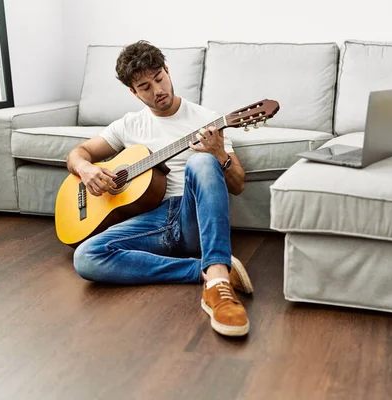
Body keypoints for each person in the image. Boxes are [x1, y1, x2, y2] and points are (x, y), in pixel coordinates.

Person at [66, 40, 253, 337]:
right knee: (86, 257)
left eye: (159, 79)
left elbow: (239, 184)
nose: (158, 91)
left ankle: (217, 279)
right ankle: (203, 272)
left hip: (192, 215)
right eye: (145, 87)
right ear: (133, 92)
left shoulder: (207, 120)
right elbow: (78, 153)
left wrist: (218, 154)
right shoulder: (129, 125)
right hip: (154, 220)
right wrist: (86, 169)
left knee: (201, 163)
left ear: (167, 70)